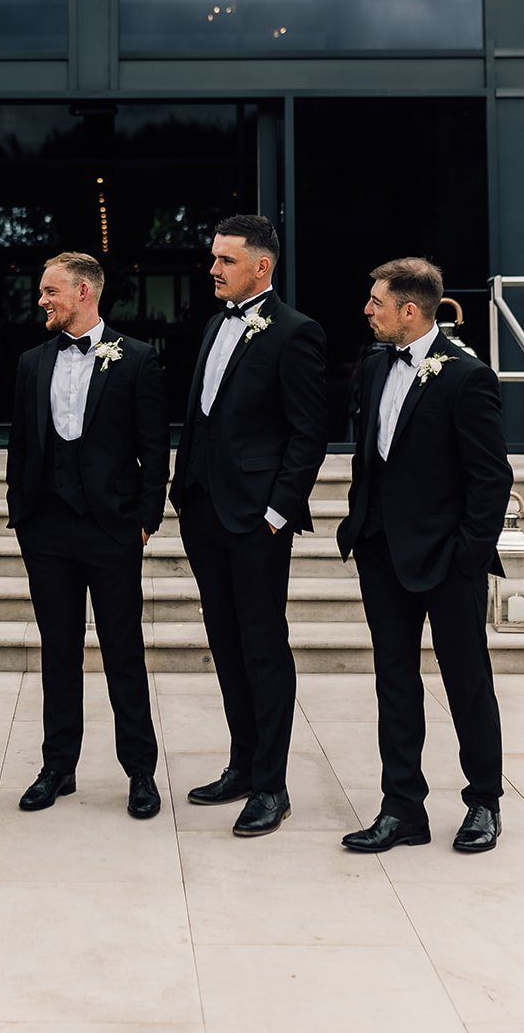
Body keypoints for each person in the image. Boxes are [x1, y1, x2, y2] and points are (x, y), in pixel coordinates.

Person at [338, 256, 512, 855]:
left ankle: (483, 802)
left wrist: (466, 557)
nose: (367, 310)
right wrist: (359, 527)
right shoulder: (374, 364)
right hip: (381, 552)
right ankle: (402, 809)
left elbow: (492, 480)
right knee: (394, 683)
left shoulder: (468, 377)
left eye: (376, 301)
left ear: (408, 311)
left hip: (447, 560)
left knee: (467, 681)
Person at [172, 214, 328, 837]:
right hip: (206, 511)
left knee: (263, 646)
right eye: (213, 258)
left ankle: (272, 784)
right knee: (227, 643)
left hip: (257, 519)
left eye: (225, 261)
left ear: (261, 266)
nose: (213, 269)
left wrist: (275, 511)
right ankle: (242, 762)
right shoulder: (214, 323)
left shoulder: (298, 333)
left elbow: (308, 432)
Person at [7, 251, 169, 819]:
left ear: (83, 292)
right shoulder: (31, 362)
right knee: (58, 651)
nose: (42, 300)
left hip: (112, 528)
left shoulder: (138, 360)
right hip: (46, 528)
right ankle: (58, 767)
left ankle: (141, 771)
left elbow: (154, 447)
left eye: (50, 291)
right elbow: (23, 444)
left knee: (124, 651)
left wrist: (144, 518)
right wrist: (20, 512)